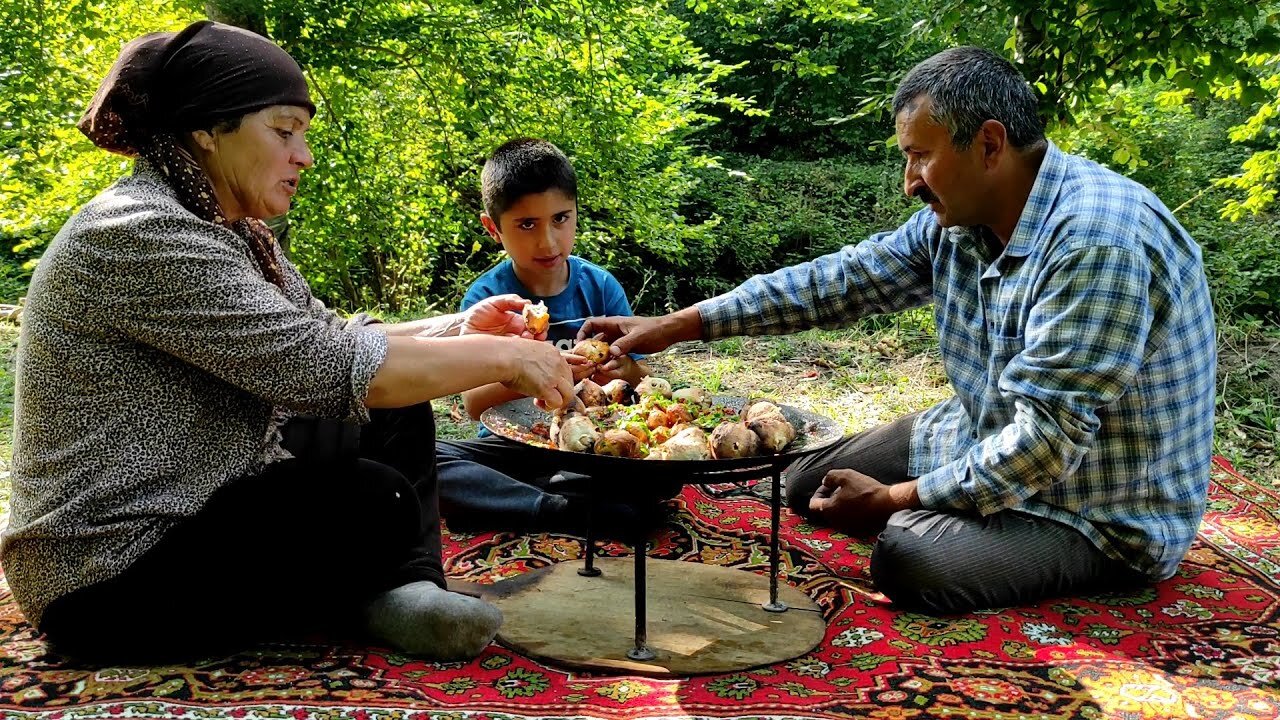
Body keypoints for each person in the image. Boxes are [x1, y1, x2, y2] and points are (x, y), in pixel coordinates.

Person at [0, 21, 576, 664]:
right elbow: (326, 366)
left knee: (394, 416)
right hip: (109, 577)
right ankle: (373, 591)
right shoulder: (140, 232)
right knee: (372, 498)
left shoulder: (231, 228)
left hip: (203, 503)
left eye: (303, 132)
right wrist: (506, 356)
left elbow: (329, 338)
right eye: (283, 130)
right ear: (207, 132)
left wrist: (457, 331)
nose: (303, 155)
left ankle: (404, 589)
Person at [580, 46, 1217, 614]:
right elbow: (842, 282)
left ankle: (935, 522)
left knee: (907, 556)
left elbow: (1043, 446)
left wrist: (892, 499)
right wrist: (678, 325)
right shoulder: (962, 219)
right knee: (804, 482)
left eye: (920, 157)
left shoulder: (1095, 240)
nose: (910, 181)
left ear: (989, 145)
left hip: (1093, 505)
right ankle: (917, 500)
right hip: (981, 431)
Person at [435, 138, 670, 533]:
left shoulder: (600, 289)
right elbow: (476, 405)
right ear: (493, 228)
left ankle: (517, 502)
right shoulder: (488, 298)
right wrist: (545, 371)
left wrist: (622, 367)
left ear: (577, 213)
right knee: (427, 460)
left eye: (560, 219)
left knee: (662, 468)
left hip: (597, 442)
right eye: (527, 224)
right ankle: (562, 509)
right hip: (514, 447)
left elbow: (644, 387)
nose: (547, 241)